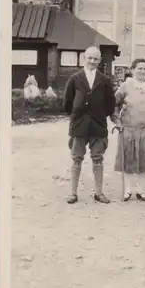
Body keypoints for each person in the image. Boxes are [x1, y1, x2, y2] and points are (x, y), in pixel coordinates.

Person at [63, 46, 115, 204]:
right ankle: (73, 193)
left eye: (96, 59)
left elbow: (110, 104)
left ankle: (99, 193)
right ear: (84, 59)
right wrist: (78, 115)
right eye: (89, 58)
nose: (92, 61)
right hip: (79, 124)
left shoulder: (105, 81)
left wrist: (98, 115)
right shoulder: (74, 79)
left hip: (98, 125)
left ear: (99, 61)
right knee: (76, 158)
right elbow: (67, 103)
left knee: (98, 158)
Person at [112, 58, 145, 202]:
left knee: (144, 160)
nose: (142, 71)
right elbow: (114, 104)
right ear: (133, 69)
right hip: (129, 128)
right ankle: (128, 190)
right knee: (128, 159)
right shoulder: (126, 85)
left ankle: (141, 190)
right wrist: (117, 121)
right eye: (139, 68)